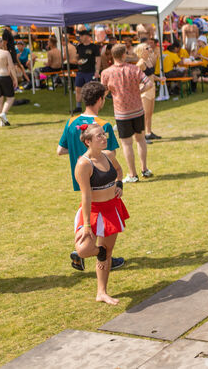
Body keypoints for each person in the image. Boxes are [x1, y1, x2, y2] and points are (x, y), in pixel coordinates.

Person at [57, 81, 125, 272]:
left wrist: (78, 155)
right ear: (100, 99)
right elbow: (111, 156)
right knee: (99, 220)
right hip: (100, 182)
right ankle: (101, 254)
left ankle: (84, 251)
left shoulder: (71, 122)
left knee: (89, 214)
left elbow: (60, 150)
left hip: (80, 180)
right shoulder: (103, 125)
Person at [73, 122, 128, 305]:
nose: (104, 138)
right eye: (99, 136)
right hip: (93, 211)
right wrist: (87, 225)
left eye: (104, 134)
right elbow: (86, 196)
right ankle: (100, 251)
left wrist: (119, 184)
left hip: (112, 208)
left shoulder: (109, 155)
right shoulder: (83, 164)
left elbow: (119, 170)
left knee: (108, 253)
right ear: (88, 142)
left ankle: (101, 292)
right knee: (84, 249)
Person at [100, 44, 153, 183]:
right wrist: (139, 91)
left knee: (127, 144)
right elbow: (149, 84)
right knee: (140, 140)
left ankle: (132, 174)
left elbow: (103, 92)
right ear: (124, 54)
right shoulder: (134, 69)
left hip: (121, 113)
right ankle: (144, 169)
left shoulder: (106, 73)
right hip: (137, 110)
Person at [134, 41, 161, 141]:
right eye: (147, 48)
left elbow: (151, 75)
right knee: (145, 114)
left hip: (152, 88)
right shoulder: (140, 63)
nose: (149, 49)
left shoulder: (148, 60)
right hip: (145, 90)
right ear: (141, 51)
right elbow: (135, 77)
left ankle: (149, 132)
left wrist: (159, 79)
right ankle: (142, 135)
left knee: (150, 113)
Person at [73, 29, 103, 114]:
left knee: (91, 90)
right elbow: (76, 57)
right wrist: (77, 61)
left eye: (81, 36)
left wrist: (97, 71)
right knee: (78, 89)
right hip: (80, 71)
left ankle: (92, 106)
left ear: (86, 36)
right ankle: (78, 107)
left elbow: (98, 60)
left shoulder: (94, 47)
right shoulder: (79, 47)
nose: (80, 38)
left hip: (90, 72)